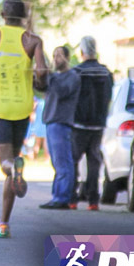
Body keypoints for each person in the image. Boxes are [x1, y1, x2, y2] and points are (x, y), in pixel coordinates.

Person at [0, 0, 47, 239]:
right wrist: (38, 81)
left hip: (0, 107)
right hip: (23, 107)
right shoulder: (33, 40)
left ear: (3, 15)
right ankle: (3, 223)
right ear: (24, 16)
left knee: (6, 163)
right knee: (14, 161)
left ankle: (13, 167)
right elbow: (42, 70)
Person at [69, 36, 114, 210]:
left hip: (79, 124)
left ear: (81, 52)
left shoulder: (77, 71)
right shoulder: (106, 73)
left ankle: (72, 199)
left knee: (74, 160)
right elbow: (109, 96)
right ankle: (93, 201)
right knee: (94, 161)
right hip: (98, 124)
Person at [39, 45, 82, 210]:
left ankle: (62, 197)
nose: (55, 59)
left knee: (63, 162)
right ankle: (56, 195)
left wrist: (51, 76)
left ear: (67, 58)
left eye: (59, 56)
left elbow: (62, 92)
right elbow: (41, 86)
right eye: (54, 55)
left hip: (61, 122)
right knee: (56, 162)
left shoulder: (72, 77)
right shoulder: (54, 77)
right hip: (50, 121)